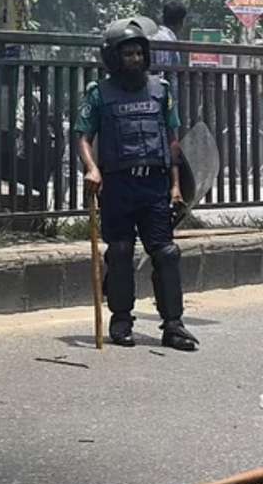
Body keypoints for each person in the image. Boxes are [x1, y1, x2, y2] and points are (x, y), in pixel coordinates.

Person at [74, 19, 199, 351]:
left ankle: (173, 325)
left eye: (138, 53)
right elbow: (83, 138)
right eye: (127, 54)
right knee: (120, 251)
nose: (134, 59)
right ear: (113, 58)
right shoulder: (98, 93)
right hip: (117, 187)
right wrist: (91, 169)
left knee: (166, 253)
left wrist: (175, 186)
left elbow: (171, 142)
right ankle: (121, 320)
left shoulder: (161, 90)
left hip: (155, 186)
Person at [150, 0, 187, 98]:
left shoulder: (155, 34)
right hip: (160, 94)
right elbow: (163, 71)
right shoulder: (166, 40)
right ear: (181, 22)